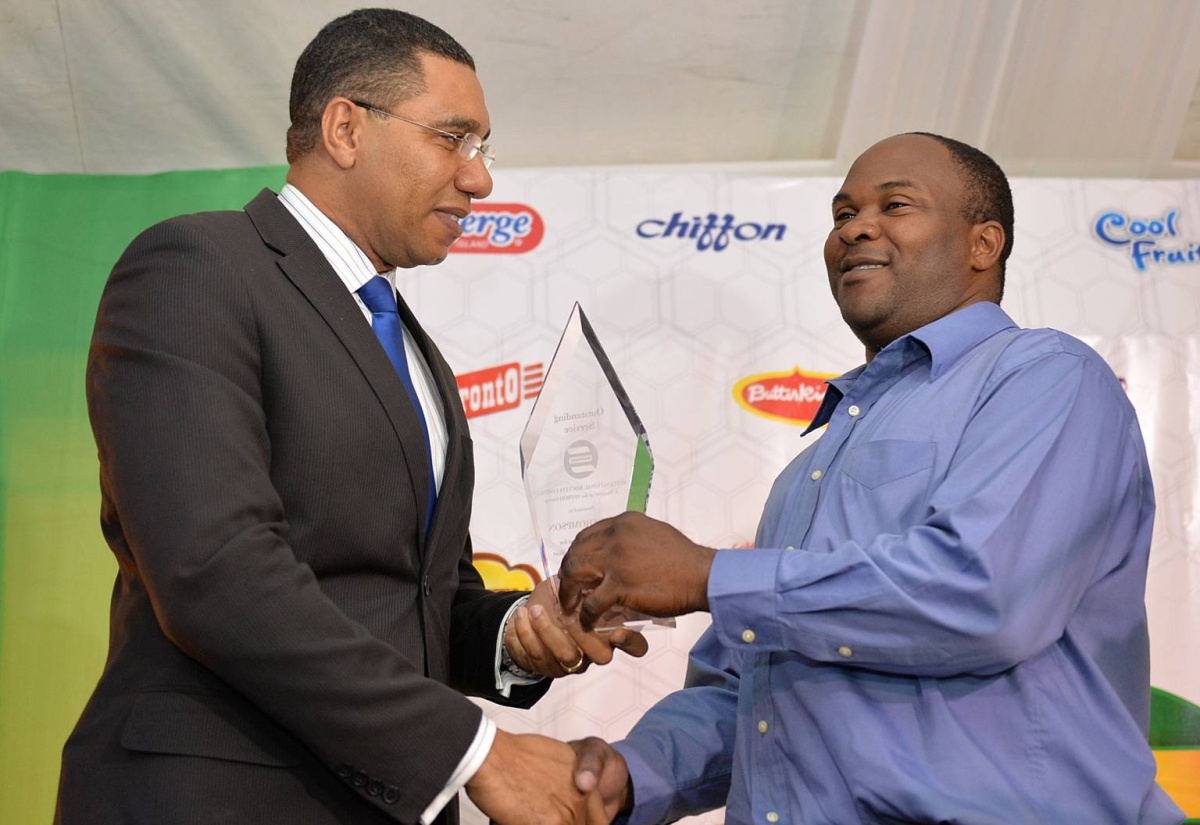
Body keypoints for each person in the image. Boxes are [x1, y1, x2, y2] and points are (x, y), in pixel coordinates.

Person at [56, 9, 644, 825]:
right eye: (454, 137)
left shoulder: (415, 351)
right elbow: (214, 571)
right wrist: (479, 751)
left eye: (484, 149)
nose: (479, 179)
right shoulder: (197, 266)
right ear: (344, 128)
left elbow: (411, 597)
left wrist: (513, 632)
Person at [560, 132, 1186, 824]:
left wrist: (707, 575)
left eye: (896, 204)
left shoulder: (1046, 377)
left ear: (983, 244)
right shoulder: (804, 473)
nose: (856, 227)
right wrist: (630, 773)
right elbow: (750, 693)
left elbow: (983, 593)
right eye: (841, 213)